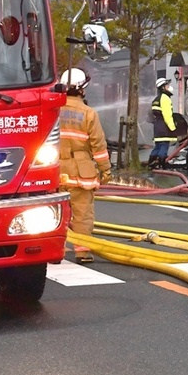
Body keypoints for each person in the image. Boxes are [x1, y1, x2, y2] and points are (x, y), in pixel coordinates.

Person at [58, 68, 111, 264]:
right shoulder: (89, 113)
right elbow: (99, 146)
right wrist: (105, 170)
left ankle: (57, 249)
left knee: (56, 212)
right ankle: (82, 252)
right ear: (81, 89)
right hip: (82, 172)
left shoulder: (52, 110)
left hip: (54, 169)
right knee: (82, 214)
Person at [148, 77, 177, 168]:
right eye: (167, 85)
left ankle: (151, 164)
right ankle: (162, 165)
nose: (169, 87)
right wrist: (173, 128)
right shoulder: (165, 98)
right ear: (163, 87)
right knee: (164, 146)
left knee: (158, 146)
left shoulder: (156, 99)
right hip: (164, 126)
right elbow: (167, 115)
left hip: (157, 126)